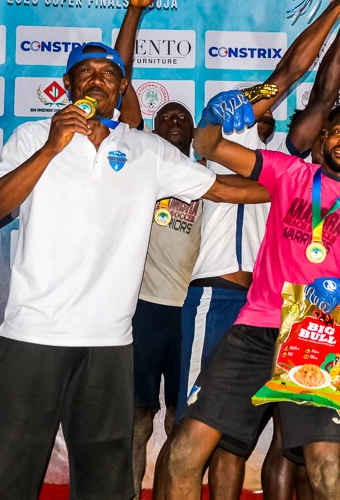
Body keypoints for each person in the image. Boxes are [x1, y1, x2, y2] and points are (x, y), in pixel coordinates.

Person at [0, 42, 271, 500]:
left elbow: (222, 188)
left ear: (121, 87)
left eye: (108, 73)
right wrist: (53, 147)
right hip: (33, 336)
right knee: (15, 480)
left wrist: (308, 188)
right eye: (86, 72)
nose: (97, 79)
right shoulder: (32, 135)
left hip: (110, 344)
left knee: (104, 485)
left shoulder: (146, 149)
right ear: (68, 84)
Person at [155, 98, 340, 500]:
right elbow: (209, 146)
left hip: (317, 338)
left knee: (324, 470)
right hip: (255, 327)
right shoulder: (288, 171)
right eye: (339, 131)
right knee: (184, 453)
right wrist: (211, 119)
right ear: (323, 139)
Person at [171, 0, 340, 500]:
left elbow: (325, 90)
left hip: (292, 311)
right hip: (222, 296)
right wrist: (338, 6)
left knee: (272, 445)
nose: (265, 107)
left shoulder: (297, 165)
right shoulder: (234, 126)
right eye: (260, 102)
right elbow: (286, 77)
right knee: (206, 439)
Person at [131, 101, 203, 499]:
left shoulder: (209, 180)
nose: (174, 122)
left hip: (191, 312)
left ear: (194, 133)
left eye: (182, 119)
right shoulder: (140, 174)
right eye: (165, 118)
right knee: (138, 419)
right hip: (144, 308)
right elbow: (127, 113)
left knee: (182, 421)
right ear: (152, 131)